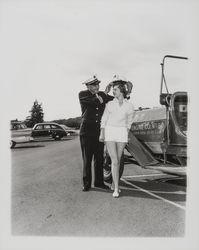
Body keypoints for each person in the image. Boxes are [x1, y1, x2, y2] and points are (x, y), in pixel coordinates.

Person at [99, 78, 134, 198]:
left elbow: (129, 122)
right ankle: (116, 189)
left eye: (115, 89)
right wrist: (102, 133)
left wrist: (126, 134)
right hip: (110, 132)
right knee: (114, 160)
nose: (113, 91)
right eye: (113, 90)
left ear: (122, 91)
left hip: (122, 133)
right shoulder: (109, 104)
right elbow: (103, 120)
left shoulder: (129, 106)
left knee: (118, 160)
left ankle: (114, 183)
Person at [78, 76, 113, 191]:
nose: (97, 86)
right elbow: (95, 101)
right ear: (87, 86)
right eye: (93, 85)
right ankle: (86, 184)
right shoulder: (83, 94)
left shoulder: (102, 94)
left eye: (97, 84)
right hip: (86, 132)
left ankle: (99, 182)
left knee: (99, 159)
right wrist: (104, 94)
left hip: (98, 132)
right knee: (87, 159)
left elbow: (115, 100)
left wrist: (124, 93)